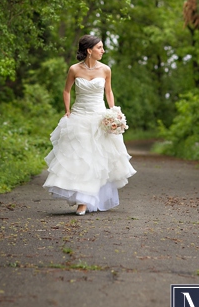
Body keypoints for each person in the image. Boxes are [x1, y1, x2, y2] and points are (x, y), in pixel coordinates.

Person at [42, 35, 135, 215]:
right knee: (81, 157)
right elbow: (66, 90)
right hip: (79, 116)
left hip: (99, 117)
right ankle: (82, 201)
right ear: (89, 50)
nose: (103, 50)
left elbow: (108, 91)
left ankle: (88, 200)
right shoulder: (74, 69)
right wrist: (67, 110)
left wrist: (113, 111)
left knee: (97, 159)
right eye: (99, 47)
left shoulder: (106, 69)